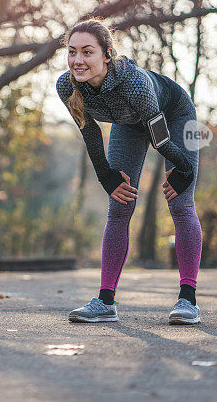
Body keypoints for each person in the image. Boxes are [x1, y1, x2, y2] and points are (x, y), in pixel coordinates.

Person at [56, 18, 203, 325]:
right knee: (119, 205)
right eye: (72, 52)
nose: (77, 60)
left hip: (173, 116)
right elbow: (90, 133)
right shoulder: (66, 86)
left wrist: (184, 169)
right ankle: (105, 301)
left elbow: (160, 136)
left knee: (180, 202)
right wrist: (106, 177)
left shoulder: (134, 83)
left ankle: (188, 300)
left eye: (87, 52)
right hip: (129, 125)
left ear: (107, 55)